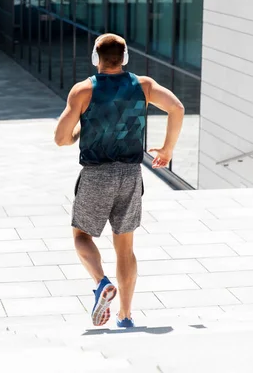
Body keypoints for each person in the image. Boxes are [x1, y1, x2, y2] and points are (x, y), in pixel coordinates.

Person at [54, 34, 184, 328]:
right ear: (124, 57)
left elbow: (61, 138)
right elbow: (177, 108)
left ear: (95, 57)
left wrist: (78, 133)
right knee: (124, 247)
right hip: (130, 174)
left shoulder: (84, 90)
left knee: (81, 237)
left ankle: (101, 284)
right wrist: (167, 149)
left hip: (96, 174)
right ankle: (125, 316)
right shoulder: (144, 86)